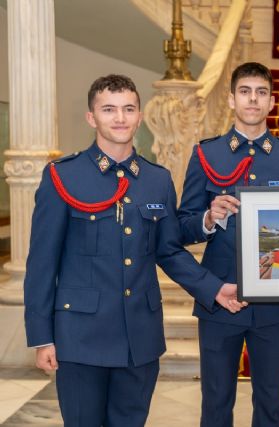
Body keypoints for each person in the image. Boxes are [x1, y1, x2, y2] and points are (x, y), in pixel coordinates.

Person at [23, 74, 221, 427]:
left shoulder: (157, 180)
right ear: (91, 117)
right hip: (80, 338)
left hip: (139, 339)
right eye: (109, 109)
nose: (120, 118)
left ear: (140, 116)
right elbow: (42, 262)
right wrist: (42, 337)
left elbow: (170, 251)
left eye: (128, 109)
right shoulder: (62, 177)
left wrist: (214, 289)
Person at [177, 62, 279, 427]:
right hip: (220, 297)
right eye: (246, 91)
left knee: (271, 403)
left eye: (261, 92)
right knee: (216, 402)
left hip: (274, 302)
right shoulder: (206, 154)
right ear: (232, 99)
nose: (253, 99)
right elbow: (182, 227)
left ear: (272, 102)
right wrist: (208, 217)